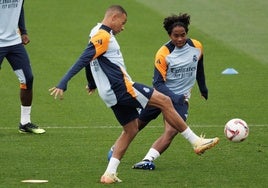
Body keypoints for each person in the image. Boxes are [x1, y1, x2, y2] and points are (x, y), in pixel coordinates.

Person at [49, 5, 218, 184]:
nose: (123, 27)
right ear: (114, 18)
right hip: (122, 88)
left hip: (109, 95)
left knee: (131, 130)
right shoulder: (104, 36)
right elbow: (84, 58)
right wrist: (63, 82)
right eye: (123, 22)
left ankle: (109, 173)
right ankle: (195, 141)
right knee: (165, 101)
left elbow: (92, 59)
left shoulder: (95, 31)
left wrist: (91, 82)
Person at [107, 13, 215, 170]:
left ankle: (147, 160)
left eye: (182, 35)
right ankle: (115, 149)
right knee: (136, 125)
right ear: (169, 35)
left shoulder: (197, 46)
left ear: (187, 33)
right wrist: (174, 97)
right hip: (161, 96)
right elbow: (157, 83)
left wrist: (203, 87)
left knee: (172, 131)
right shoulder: (163, 53)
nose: (179, 39)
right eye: (175, 36)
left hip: (180, 99)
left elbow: (199, 67)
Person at [0, 0, 45, 134]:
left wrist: (23, 31)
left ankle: (24, 122)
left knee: (27, 78)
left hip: (14, 42)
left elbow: (19, 8)